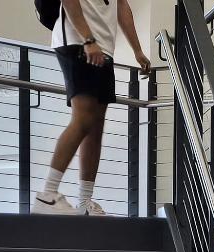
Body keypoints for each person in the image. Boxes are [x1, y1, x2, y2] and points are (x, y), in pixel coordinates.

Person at [34, 0, 152, 217]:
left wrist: (137, 50)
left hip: (103, 46)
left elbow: (122, 6)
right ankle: (47, 195)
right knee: (83, 120)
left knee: (95, 127)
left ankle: (85, 202)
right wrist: (88, 39)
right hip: (78, 41)